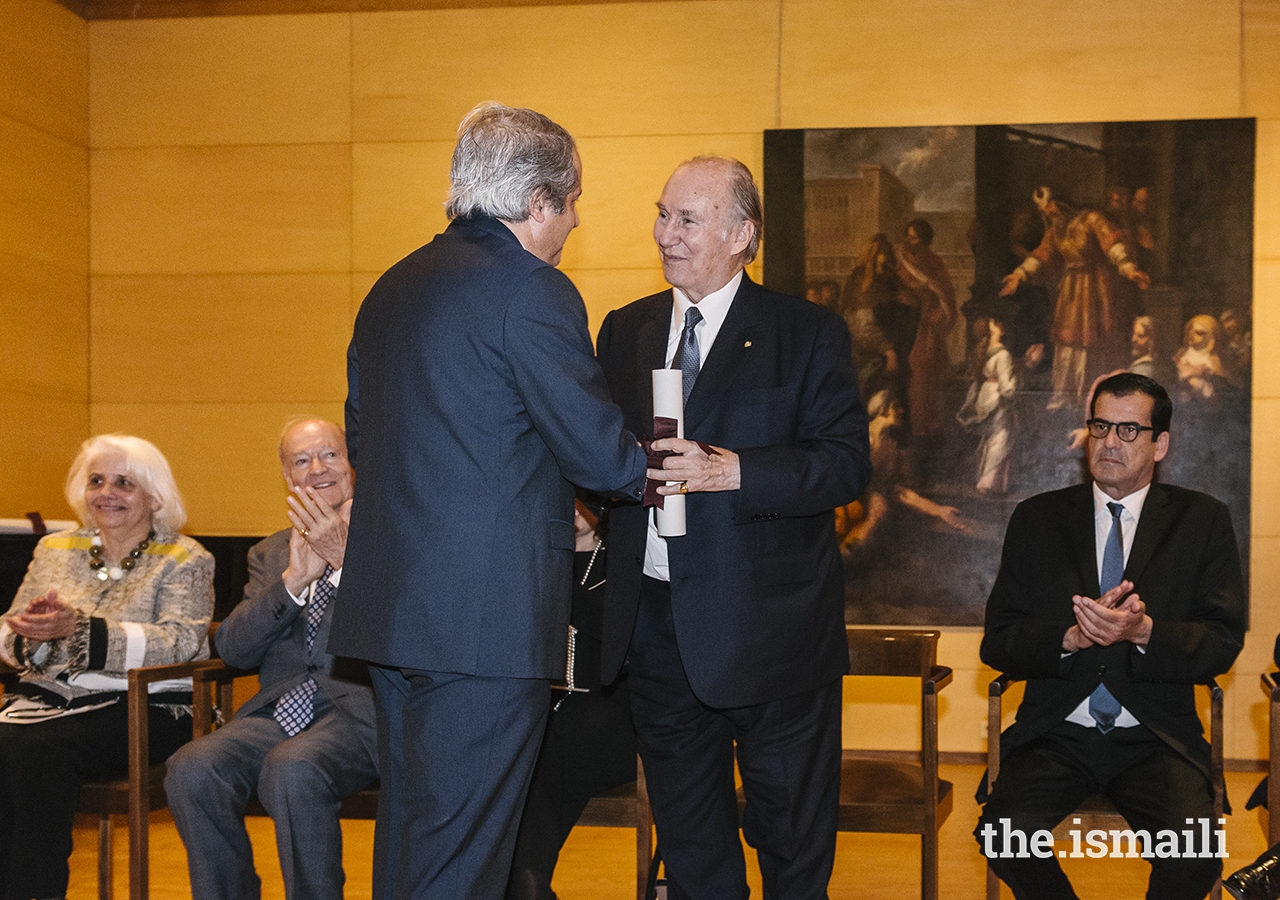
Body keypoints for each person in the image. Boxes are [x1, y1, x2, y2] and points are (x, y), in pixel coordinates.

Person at [329, 102, 648, 900]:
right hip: (485, 623)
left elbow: (365, 440)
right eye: (572, 203)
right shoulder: (533, 289)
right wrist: (664, 466)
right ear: (537, 202)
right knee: (465, 860)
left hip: (397, 614)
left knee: (413, 842)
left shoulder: (391, 286)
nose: (575, 223)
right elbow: (601, 456)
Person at [596, 155, 872, 900]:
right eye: (662, 214)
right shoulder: (625, 331)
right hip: (657, 634)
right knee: (692, 857)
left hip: (773, 638)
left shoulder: (804, 333)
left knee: (791, 848)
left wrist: (733, 470)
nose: (665, 234)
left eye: (686, 219)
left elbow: (845, 466)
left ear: (741, 233)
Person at [976, 373, 1245, 900]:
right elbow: (998, 640)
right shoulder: (1037, 519)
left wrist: (1145, 631)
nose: (1109, 442)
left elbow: (1221, 640)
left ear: (1159, 443)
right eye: (1100, 426)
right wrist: (1070, 638)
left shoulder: (1202, 521)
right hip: (1056, 732)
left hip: (1155, 736)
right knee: (1004, 835)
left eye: (1128, 429)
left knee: (1195, 853)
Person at [165, 417, 377, 900]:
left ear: (352, 464)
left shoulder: (391, 540)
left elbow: (409, 628)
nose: (317, 468)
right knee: (193, 766)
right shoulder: (271, 552)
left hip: (362, 712)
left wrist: (344, 563)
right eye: (301, 461)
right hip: (278, 711)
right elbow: (234, 650)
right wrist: (293, 584)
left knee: (293, 767)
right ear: (288, 478)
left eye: (330, 454)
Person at [0, 434, 213, 900]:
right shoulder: (54, 549)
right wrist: (31, 632)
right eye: (97, 480)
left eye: (124, 483)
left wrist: (79, 632)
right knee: (20, 743)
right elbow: (9, 631)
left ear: (155, 496)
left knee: (34, 750)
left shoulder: (186, 558)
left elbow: (178, 643)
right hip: (48, 705)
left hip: (147, 709)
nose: (106, 493)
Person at [505, 498, 635, 900]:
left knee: (544, 744)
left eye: (582, 494)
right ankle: (527, 882)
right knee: (526, 738)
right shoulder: (536, 560)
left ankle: (524, 880)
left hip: (615, 711)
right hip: (548, 710)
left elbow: (626, 645)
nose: (573, 503)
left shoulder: (623, 560)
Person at [999, 186, 1150, 410]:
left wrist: (1128, 269)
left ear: (1063, 203)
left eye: (1051, 207)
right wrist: (1019, 275)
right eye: (1045, 210)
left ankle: (1093, 394)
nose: (1049, 213)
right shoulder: (1056, 230)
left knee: (1093, 341)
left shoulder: (1092, 219)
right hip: (1071, 290)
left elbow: (1112, 246)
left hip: (1096, 288)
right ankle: (1066, 395)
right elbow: (1042, 255)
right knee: (1068, 341)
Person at [897, 218, 958, 438]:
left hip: (925, 328)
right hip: (906, 326)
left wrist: (938, 314)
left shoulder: (934, 262)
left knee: (927, 374)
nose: (909, 240)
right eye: (908, 236)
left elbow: (945, 293)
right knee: (909, 375)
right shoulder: (901, 262)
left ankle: (929, 424)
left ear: (924, 240)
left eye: (913, 237)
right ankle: (910, 424)